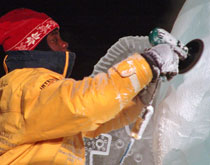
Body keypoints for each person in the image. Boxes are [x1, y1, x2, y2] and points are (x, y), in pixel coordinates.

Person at [0, 8, 182, 165]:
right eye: (54, 40)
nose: (64, 44)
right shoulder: (27, 84)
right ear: (32, 49)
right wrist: (147, 63)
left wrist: (138, 98)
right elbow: (84, 105)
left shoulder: (28, 94)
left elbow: (93, 121)